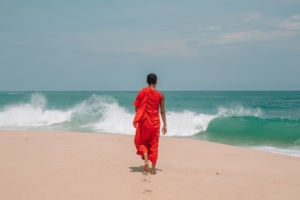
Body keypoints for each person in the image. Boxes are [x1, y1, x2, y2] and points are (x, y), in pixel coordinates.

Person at [133, 73, 167, 175]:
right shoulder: (161, 95)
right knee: (154, 144)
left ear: (147, 81)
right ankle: (152, 170)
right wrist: (165, 125)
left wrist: (142, 111)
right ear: (156, 82)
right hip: (155, 122)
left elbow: (136, 107)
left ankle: (146, 161)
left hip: (144, 121)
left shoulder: (142, 92)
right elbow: (162, 111)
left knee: (143, 142)